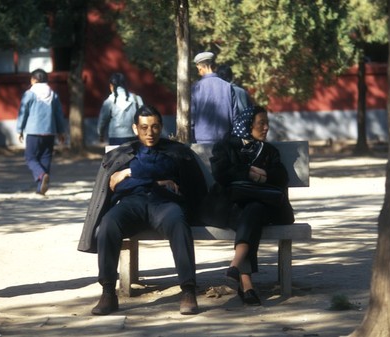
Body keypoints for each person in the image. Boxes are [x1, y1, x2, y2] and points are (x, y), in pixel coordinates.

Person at [78, 105, 208, 316]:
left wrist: (130, 173)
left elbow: (169, 169)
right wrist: (156, 181)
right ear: (135, 128)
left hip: (165, 204)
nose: (150, 132)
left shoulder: (174, 151)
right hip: (132, 203)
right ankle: (108, 292)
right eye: (144, 127)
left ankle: (188, 290)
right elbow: (115, 185)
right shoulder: (125, 153)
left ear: (161, 127)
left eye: (155, 127)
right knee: (109, 224)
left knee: (178, 223)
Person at [209, 106, 295, 306]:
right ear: (247, 126)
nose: (266, 128)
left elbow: (281, 177)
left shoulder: (269, 150)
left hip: (262, 206)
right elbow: (221, 174)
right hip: (231, 206)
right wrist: (248, 172)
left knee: (253, 211)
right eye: (261, 123)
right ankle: (246, 283)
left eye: (267, 123)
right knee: (249, 215)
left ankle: (236, 268)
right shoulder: (225, 147)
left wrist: (265, 176)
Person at [16, 68, 66, 195]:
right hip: (50, 131)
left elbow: (23, 113)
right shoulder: (52, 94)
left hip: (34, 131)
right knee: (46, 157)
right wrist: (61, 131)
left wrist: (19, 129)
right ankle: (40, 188)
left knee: (30, 157)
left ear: (33, 80)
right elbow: (58, 114)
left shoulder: (30, 93)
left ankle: (41, 174)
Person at [191, 51, 239, 144]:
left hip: (202, 141)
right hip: (225, 141)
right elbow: (235, 118)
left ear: (199, 67)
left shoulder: (196, 88)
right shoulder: (228, 87)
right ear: (214, 66)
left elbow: (191, 118)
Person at [97, 72, 144, 145]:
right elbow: (144, 117)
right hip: (134, 136)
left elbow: (102, 120)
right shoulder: (136, 99)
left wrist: (100, 133)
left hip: (115, 137)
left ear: (111, 86)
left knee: (116, 156)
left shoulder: (109, 101)